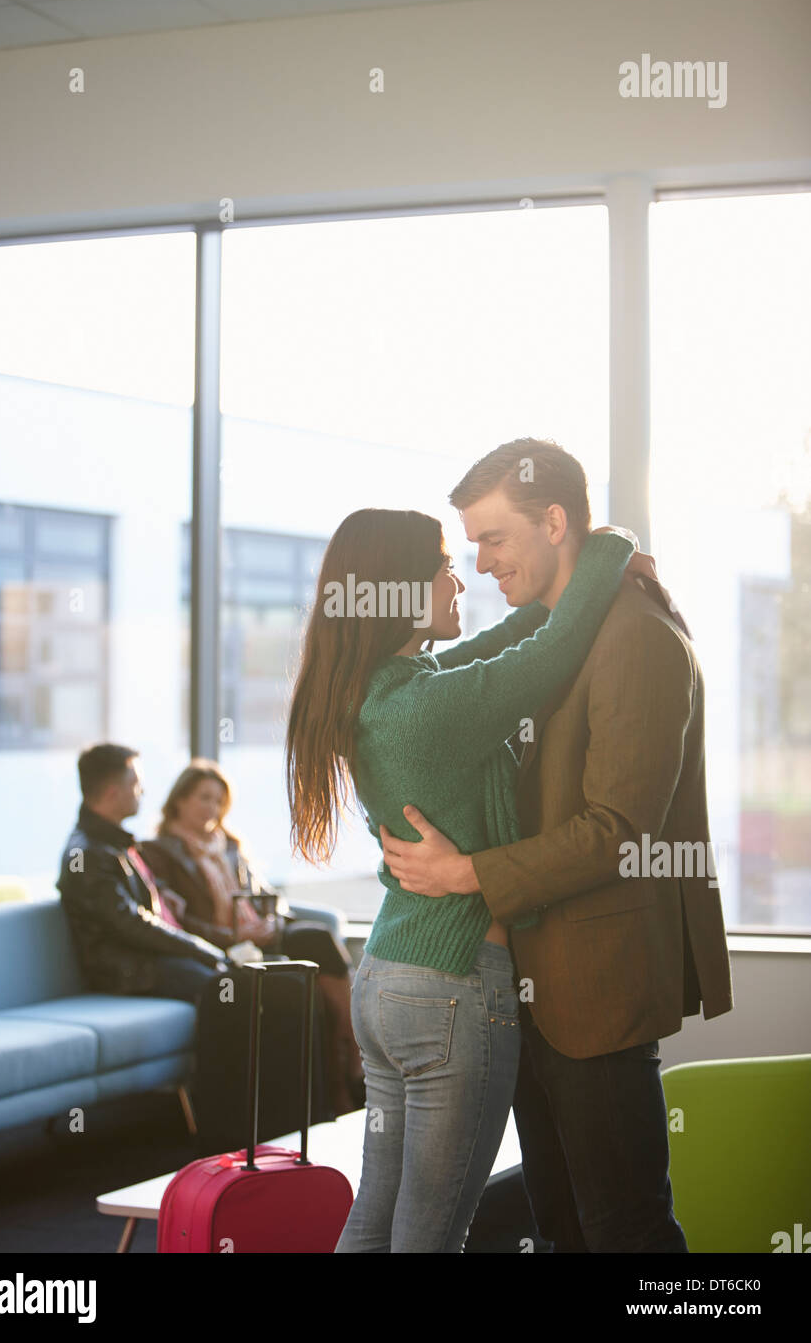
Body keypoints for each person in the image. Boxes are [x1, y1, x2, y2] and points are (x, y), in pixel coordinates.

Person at [379, 438, 734, 1254]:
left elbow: (618, 828)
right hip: (533, 984)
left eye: (494, 539)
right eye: (470, 545)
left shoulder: (635, 636)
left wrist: (467, 872)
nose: (480, 563)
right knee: (563, 1225)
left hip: (596, 990)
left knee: (627, 1230)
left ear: (554, 520)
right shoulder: (555, 634)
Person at [286, 503, 646, 1252]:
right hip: (451, 988)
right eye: (446, 565)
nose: (464, 578)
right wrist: (609, 545)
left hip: (388, 983)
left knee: (377, 1216)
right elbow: (553, 652)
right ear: (401, 590)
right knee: (430, 1234)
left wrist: (553, 593)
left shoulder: (387, 692)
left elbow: (503, 646)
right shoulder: (429, 708)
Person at [57, 743, 332, 1152]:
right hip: (128, 970)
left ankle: (291, 1119)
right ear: (113, 790)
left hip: (155, 959)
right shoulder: (87, 853)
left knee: (285, 982)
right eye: (136, 783)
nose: (142, 792)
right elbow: (129, 924)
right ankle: (226, 1132)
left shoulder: (114, 845)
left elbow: (150, 914)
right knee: (232, 989)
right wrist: (203, 948)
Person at [139, 760, 363, 1116]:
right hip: (220, 943)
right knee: (304, 976)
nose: (212, 808)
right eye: (204, 798)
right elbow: (177, 921)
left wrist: (272, 922)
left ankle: (352, 1053)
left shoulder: (229, 846)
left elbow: (266, 896)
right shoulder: (157, 852)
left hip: (257, 936)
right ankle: (339, 1084)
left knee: (317, 939)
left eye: (218, 801)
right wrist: (233, 934)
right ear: (179, 800)